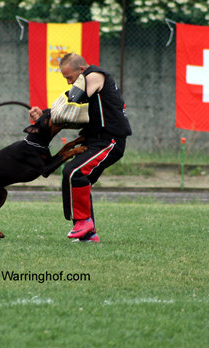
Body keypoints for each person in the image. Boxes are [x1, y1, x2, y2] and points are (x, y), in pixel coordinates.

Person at [29, 53, 132, 243]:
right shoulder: (85, 81)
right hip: (94, 140)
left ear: (82, 70)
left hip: (110, 140)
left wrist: (49, 114)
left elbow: (74, 101)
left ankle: (83, 222)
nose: (69, 82)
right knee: (79, 182)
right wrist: (43, 115)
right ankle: (88, 234)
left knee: (74, 172)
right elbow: (70, 106)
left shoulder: (95, 75)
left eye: (70, 77)